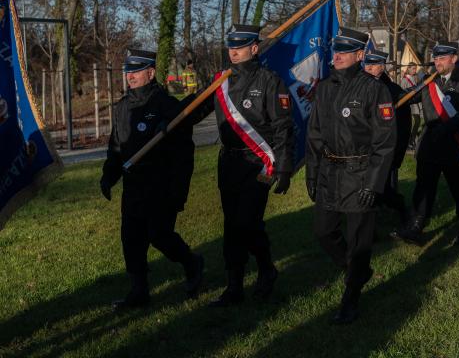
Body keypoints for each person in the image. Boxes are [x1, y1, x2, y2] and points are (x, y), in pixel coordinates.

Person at [186, 24, 294, 307]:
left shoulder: (270, 82)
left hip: (258, 162)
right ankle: (234, 286)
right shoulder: (221, 80)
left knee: (248, 222)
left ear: (254, 48)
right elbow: (196, 108)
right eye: (230, 47)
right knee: (232, 226)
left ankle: (266, 268)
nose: (233, 51)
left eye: (239, 47)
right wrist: (171, 118)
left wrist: (283, 168)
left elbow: (283, 127)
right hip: (229, 163)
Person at [100, 48, 204, 310]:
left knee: (159, 235)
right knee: (131, 239)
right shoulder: (123, 107)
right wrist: (108, 175)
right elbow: (116, 146)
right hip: (133, 184)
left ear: (151, 72)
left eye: (136, 71)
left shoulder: (167, 106)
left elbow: (183, 153)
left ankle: (191, 263)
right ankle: (139, 290)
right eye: (128, 71)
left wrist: (179, 191)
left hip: (160, 184)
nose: (130, 76)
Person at [306, 27, 397, 324]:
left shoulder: (374, 89)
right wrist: (312, 172)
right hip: (330, 172)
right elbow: (315, 134)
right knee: (323, 231)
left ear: (360, 55)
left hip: (360, 172)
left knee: (359, 242)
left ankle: (351, 297)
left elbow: (385, 143)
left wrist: (374, 183)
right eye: (336, 51)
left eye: (345, 52)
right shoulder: (325, 87)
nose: (338, 56)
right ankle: (356, 271)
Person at [390, 41, 459, 247]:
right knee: (424, 187)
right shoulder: (430, 80)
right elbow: (409, 97)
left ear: (453, 59)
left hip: (454, 145)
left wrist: (447, 128)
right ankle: (416, 227)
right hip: (430, 144)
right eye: (435, 58)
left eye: (441, 58)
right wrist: (386, 91)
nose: (437, 62)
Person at [364, 49, 411, 223]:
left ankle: (401, 209)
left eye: (372, 65)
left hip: (382, 149)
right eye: (367, 64)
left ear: (381, 68)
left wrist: (395, 152)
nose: (368, 68)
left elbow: (402, 125)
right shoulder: (359, 85)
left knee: (380, 188)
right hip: (362, 148)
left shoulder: (391, 90)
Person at [401, 62, 423, 149]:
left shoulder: (415, 78)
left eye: (415, 68)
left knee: (417, 121)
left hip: (415, 104)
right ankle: (409, 141)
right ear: (408, 69)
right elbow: (402, 92)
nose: (415, 70)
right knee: (411, 122)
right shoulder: (404, 80)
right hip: (409, 104)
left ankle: (412, 139)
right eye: (413, 68)